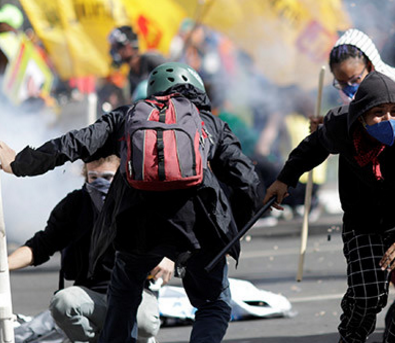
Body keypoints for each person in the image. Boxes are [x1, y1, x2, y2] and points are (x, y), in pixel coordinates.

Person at [0, 62, 262, 343]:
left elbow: (73, 143)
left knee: (122, 298)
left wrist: (20, 164)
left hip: (137, 226)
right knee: (213, 304)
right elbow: (247, 180)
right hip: (197, 226)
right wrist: (233, 229)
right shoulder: (210, 124)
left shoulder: (126, 118)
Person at [265, 71, 395, 343]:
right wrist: (285, 179)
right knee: (366, 298)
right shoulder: (341, 128)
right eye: (378, 112)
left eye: (394, 112)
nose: (388, 119)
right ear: (361, 115)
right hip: (365, 220)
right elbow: (314, 146)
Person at [8, 156, 169, 343]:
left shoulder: (137, 203)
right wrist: (5, 265)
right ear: (85, 176)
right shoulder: (75, 205)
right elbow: (41, 245)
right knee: (63, 303)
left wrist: (168, 257)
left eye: (108, 178)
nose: (100, 184)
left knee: (146, 322)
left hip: (133, 293)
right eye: (93, 177)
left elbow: (171, 234)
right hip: (90, 297)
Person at [108, 25, 167, 99]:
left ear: (128, 46)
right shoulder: (131, 75)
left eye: (117, 47)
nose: (115, 51)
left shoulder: (152, 59)